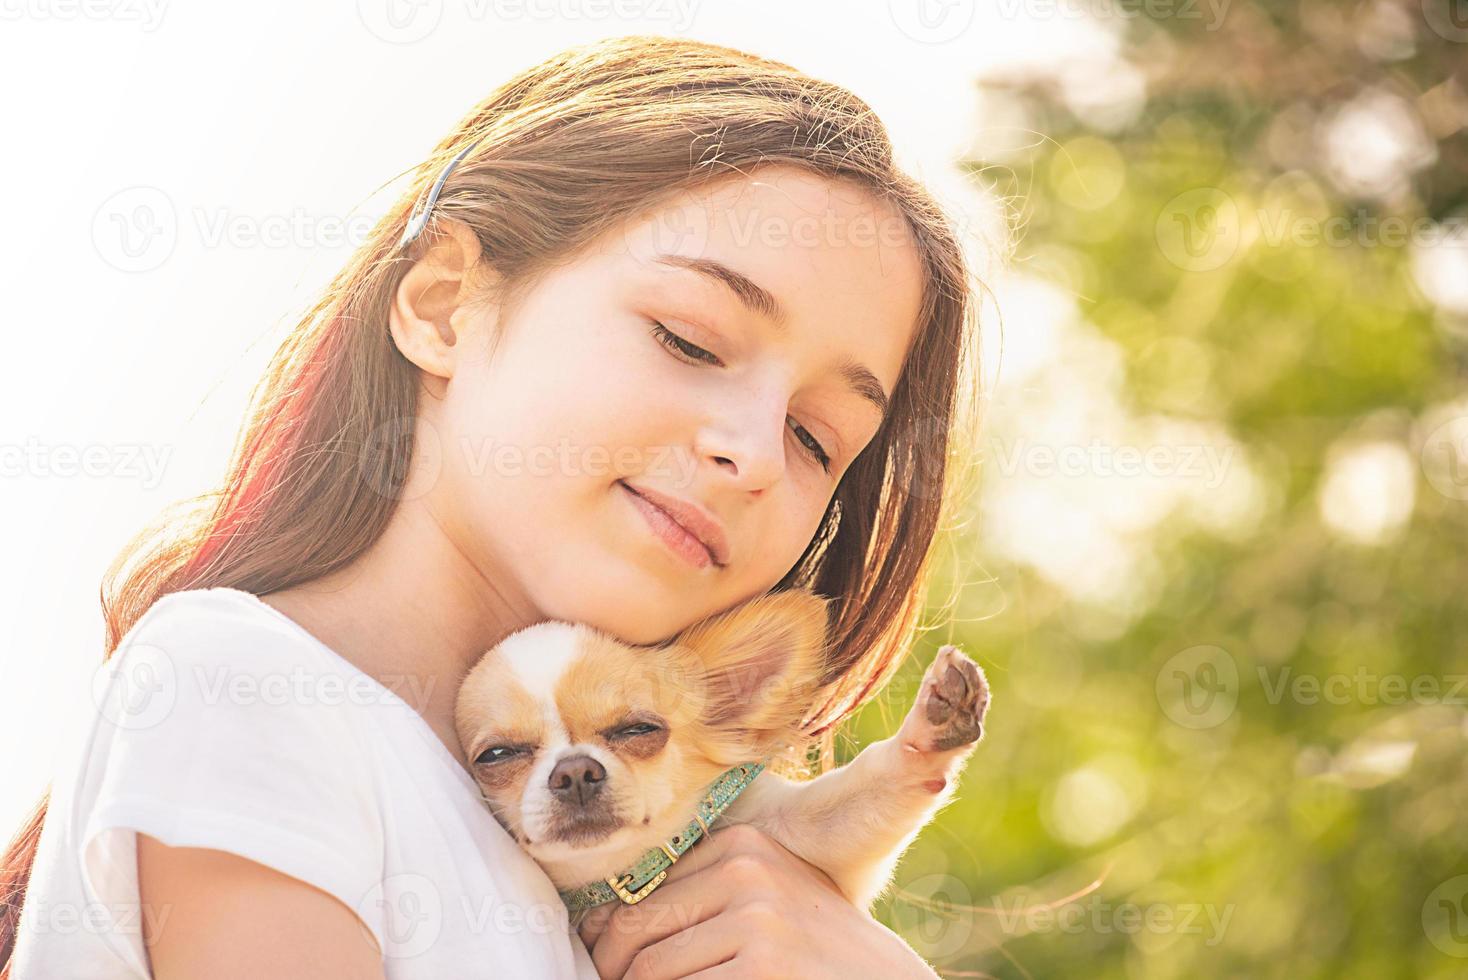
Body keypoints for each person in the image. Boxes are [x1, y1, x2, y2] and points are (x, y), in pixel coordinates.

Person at [0, 34, 981, 979]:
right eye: (688, 339)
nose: (754, 451)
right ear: (442, 304)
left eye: (817, 439)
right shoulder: (246, 683)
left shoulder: (603, 865)